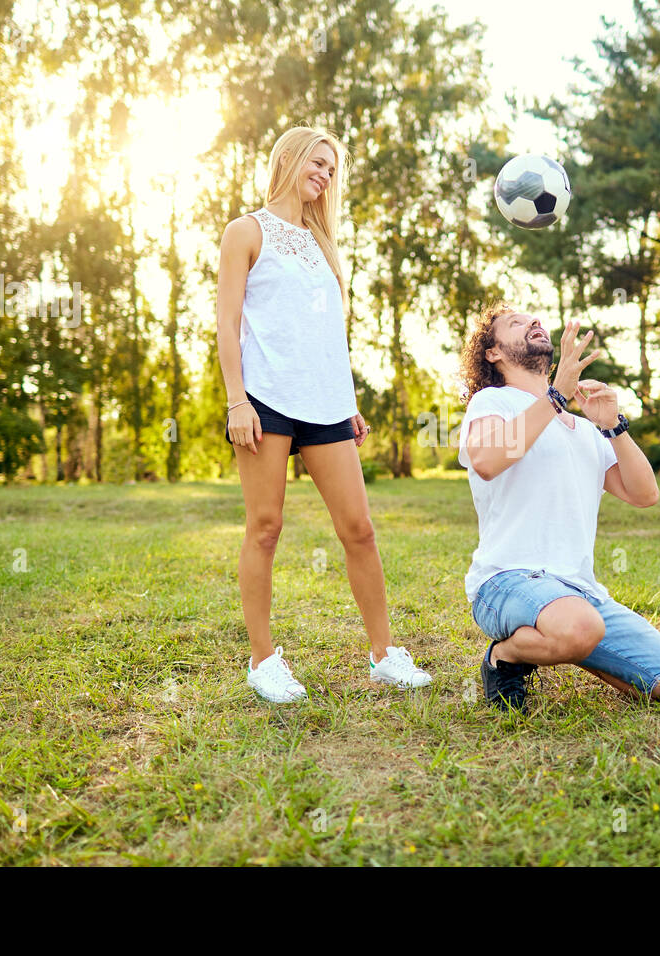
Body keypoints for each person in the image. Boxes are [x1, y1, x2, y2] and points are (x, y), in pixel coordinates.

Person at [215, 125, 431, 703]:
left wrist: (349, 400)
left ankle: (384, 655)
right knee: (265, 529)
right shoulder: (246, 231)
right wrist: (237, 400)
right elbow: (227, 324)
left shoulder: (321, 242)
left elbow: (327, 334)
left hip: (325, 403)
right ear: (286, 158)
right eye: (318, 163)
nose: (325, 176)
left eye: (332, 169)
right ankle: (263, 662)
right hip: (263, 402)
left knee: (358, 529)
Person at [456, 301, 660, 712]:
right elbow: (488, 460)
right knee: (580, 627)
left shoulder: (584, 431)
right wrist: (555, 396)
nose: (533, 321)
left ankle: (569, 639)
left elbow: (644, 494)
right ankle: (505, 657)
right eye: (516, 323)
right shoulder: (493, 403)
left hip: (579, 592)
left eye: (535, 319)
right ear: (493, 352)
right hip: (507, 581)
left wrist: (614, 426)